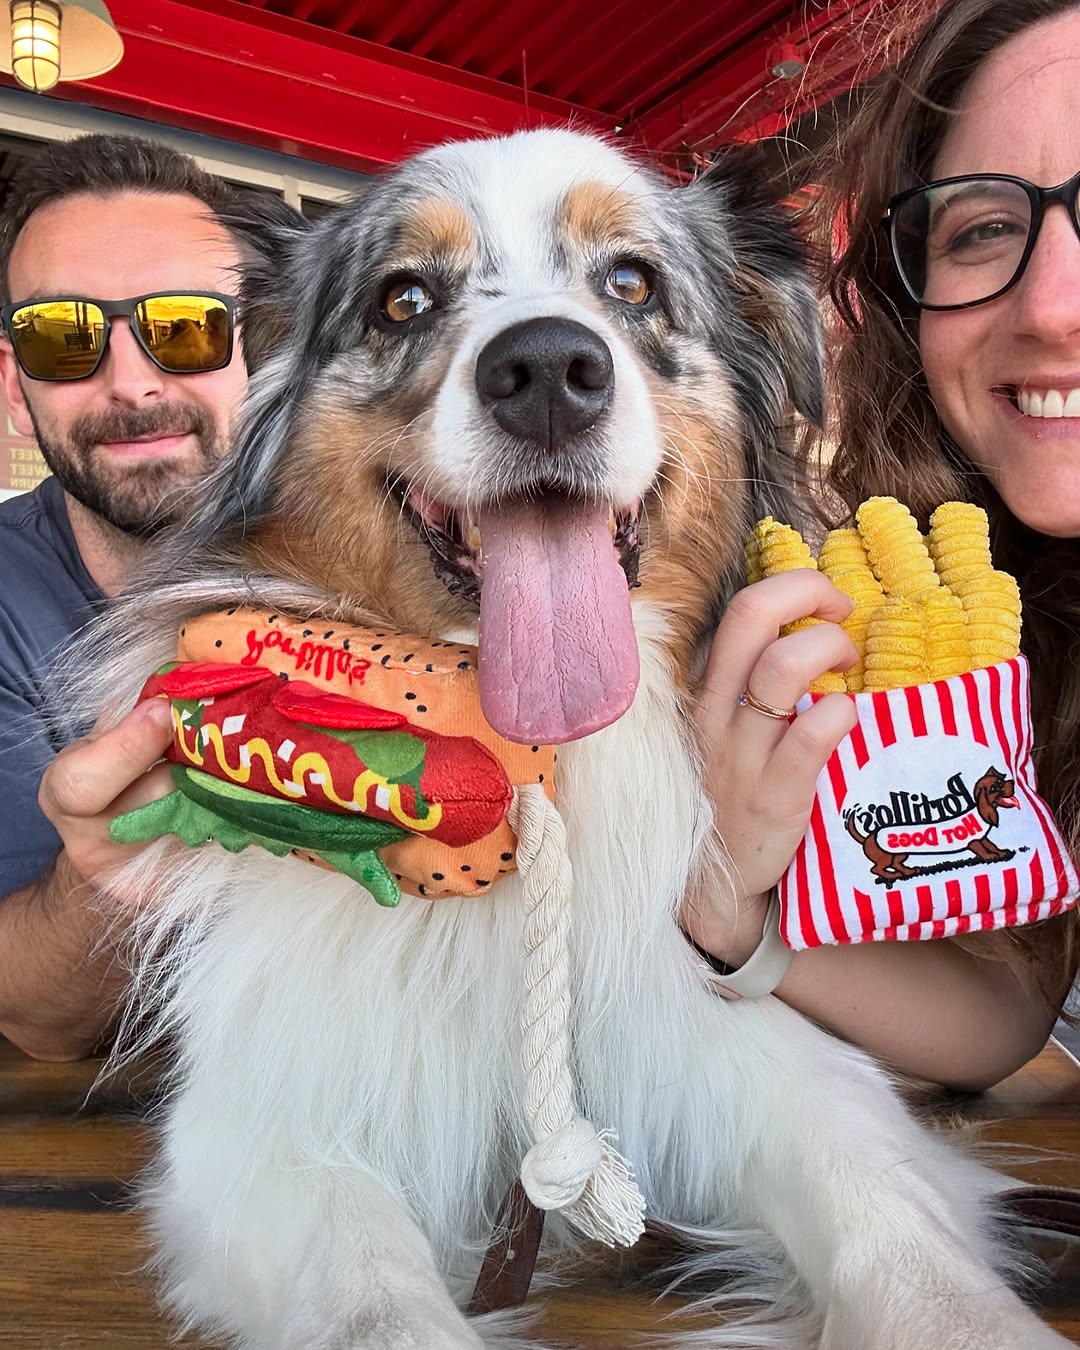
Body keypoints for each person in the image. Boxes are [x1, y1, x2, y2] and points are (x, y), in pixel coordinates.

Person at [686, 0, 1080, 1092]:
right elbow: (1005, 1005)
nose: (1051, 306)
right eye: (986, 228)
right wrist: (733, 907)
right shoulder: (1016, 610)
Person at [0, 134, 254, 1060]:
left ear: (253, 354)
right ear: (16, 392)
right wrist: (108, 882)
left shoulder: (381, 550)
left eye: (186, 326)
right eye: (62, 339)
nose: (132, 381)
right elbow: (35, 1018)